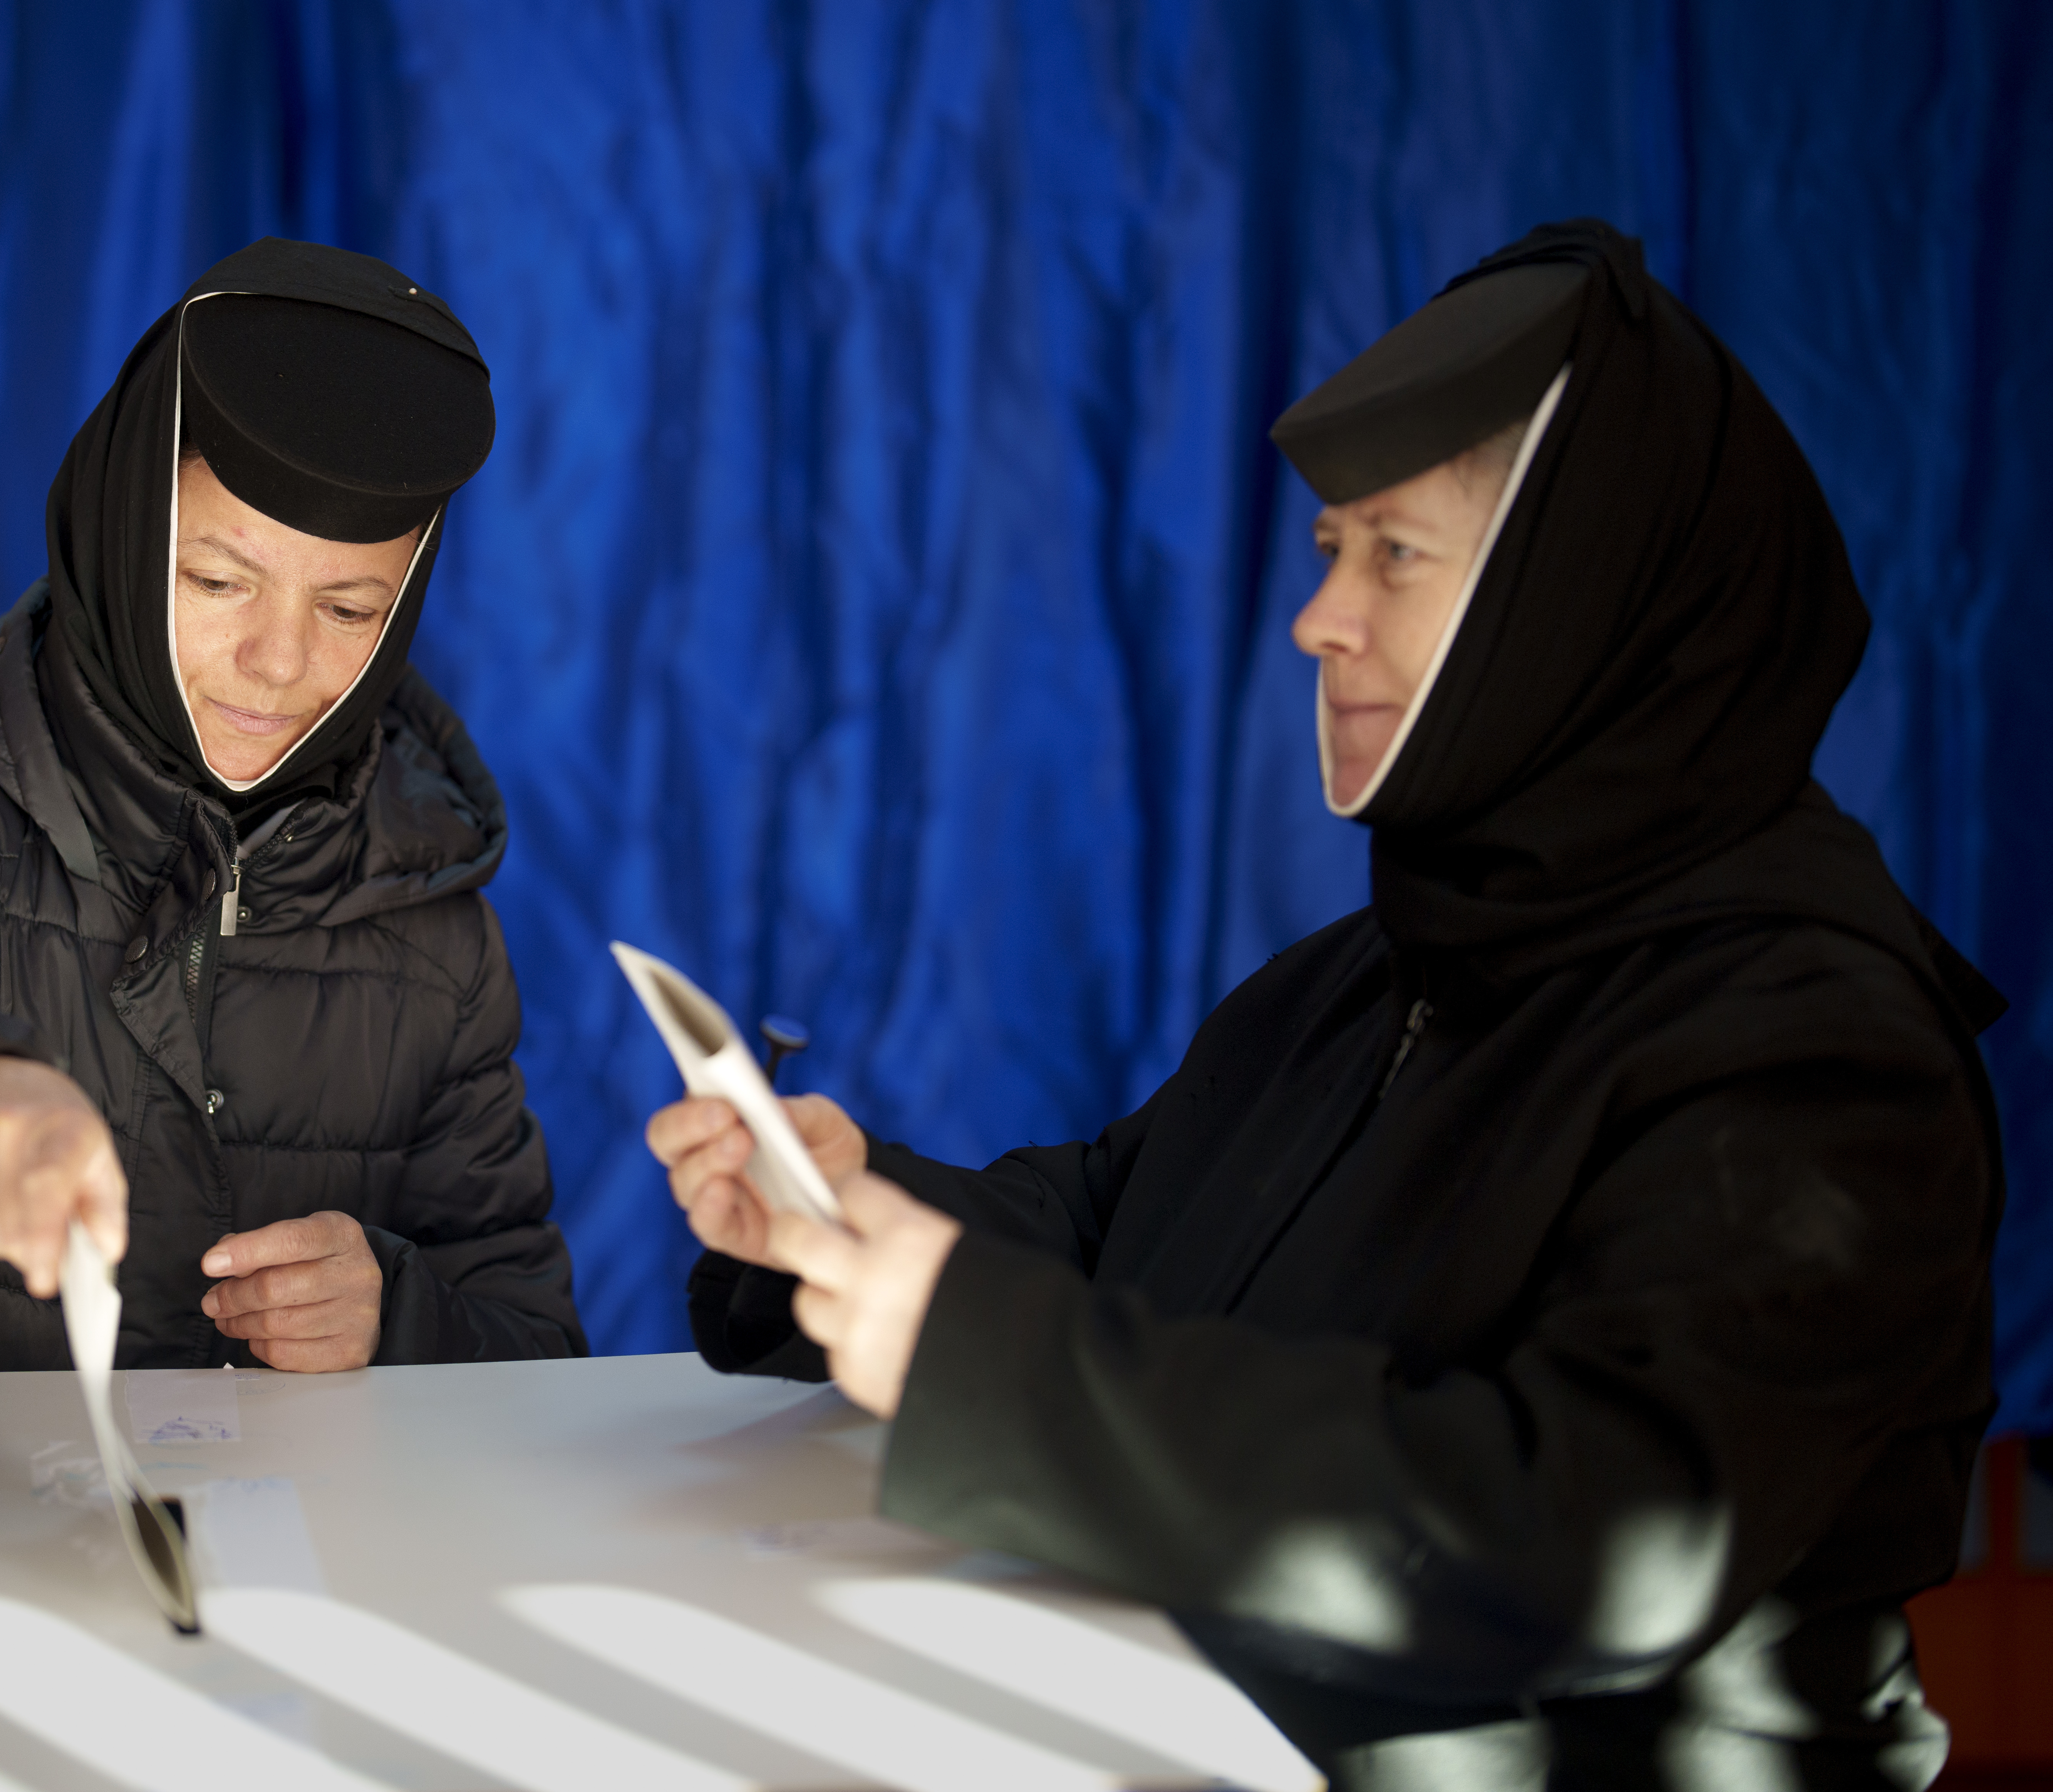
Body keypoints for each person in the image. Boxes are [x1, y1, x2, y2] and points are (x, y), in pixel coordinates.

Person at [649, 221, 2002, 1788]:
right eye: (1324, 552)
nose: (1315, 621)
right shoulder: (1384, 969)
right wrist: (841, 1214)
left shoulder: (1811, 1061)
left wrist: (980, 1364)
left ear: (1574, 600)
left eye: (1396, 556)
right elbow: (1118, 1228)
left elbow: (1575, 1543)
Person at [0, 237, 584, 1375]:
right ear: (128, 538)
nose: (278, 662)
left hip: (255, 1545)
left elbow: (531, 1349)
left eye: (348, 610)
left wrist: (396, 1310)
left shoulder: (435, 925)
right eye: (219, 582)